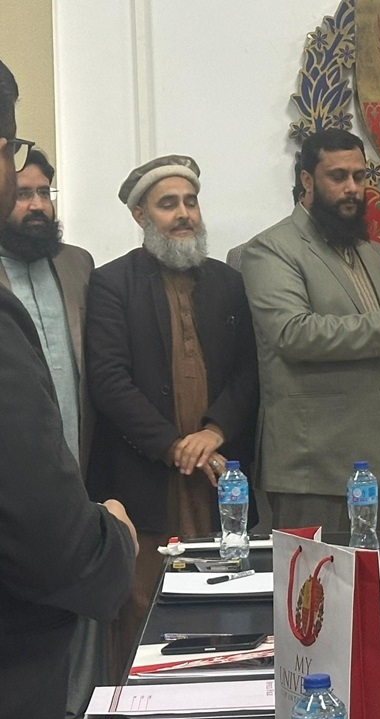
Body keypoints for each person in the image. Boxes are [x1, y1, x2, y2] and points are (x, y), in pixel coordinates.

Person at [0, 58, 138, 719]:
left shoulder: (78, 268)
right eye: (16, 172)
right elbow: (47, 540)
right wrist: (110, 540)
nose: (32, 198)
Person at [85, 154, 259, 677]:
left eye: (190, 201)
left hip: (217, 475)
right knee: (142, 604)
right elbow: (109, 381)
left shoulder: (228, 282)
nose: (184, 214)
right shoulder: (111, 283)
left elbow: (249, 372)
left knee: (220, 600)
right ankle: (134, 713)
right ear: (140, 216)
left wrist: (214, 431)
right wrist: (173, 444)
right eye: (168, 204)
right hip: (145, 477)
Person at [241, 129, 380, 534]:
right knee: (316, 577)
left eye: (359, 176)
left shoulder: (374, 254)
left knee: (379, 572)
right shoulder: (270, 249)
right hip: (314, 468)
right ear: (307, 180)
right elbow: (293, 333)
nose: (352, 188)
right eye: (338, 176)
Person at [0, 147, 105, 719]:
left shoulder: (77, 264)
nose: (37, 205)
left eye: (46, 192)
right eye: (24, 193)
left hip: (81, 463)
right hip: (18, 478)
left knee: (84, 598)